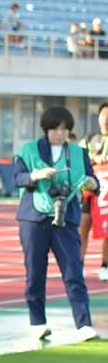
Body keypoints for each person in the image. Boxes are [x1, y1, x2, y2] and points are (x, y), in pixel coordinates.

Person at [14, 106, 100, 344]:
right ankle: (38, 323)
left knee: (74, 272)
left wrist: (92, 183)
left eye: (64, 129)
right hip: (34, 219)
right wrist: (36, 176)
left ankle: (84, 324)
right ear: (46, 129)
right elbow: (17, 178)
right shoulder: (29, 150)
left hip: (66, 218)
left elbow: (93, 181)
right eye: (55, 129)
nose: (60, 134)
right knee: (35, 273)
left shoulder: (78, 153)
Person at [79, 101, 108, 280]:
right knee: (83, 226)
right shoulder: (90, 139)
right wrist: (94, 159)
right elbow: (78, 159)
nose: (106, 119)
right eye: (104, 115)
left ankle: (105, 265)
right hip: (90, 192)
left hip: (107, 195)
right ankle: (78, 264)